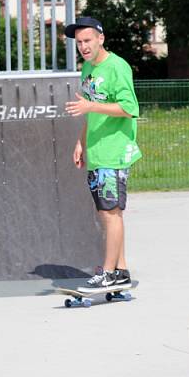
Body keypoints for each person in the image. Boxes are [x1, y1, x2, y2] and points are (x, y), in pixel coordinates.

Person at [64, 16, 142, 291]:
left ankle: (108, 273)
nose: (83, 46)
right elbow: (90, 107)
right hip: (96, 150)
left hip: (114, 151)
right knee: (105, 212)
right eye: (79, 42)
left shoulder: (116, 67)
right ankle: (120, 271)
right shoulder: (87, 68)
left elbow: (129, 107)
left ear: (101, 39)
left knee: (112, 212)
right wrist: (80, 142)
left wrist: (90, 108)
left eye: (87, 40)